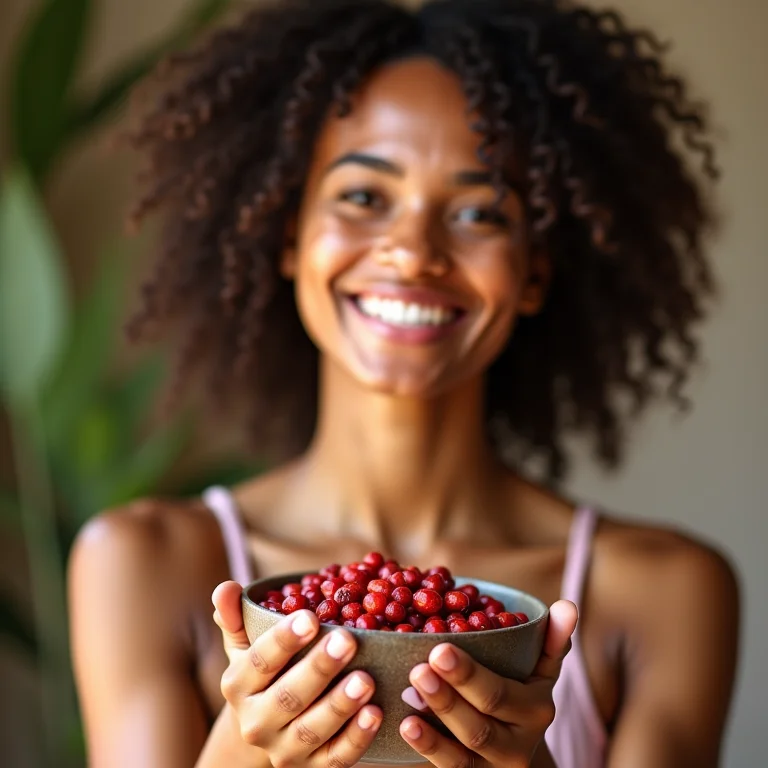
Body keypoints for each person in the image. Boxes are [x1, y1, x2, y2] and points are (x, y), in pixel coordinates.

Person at [67, 1, 740, 766]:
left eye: (480, 211)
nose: (413, 252)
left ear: (533, 271)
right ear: (289, 237)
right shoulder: (145, 562)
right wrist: (244, 752)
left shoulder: (664, 592)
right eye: (363, 197)